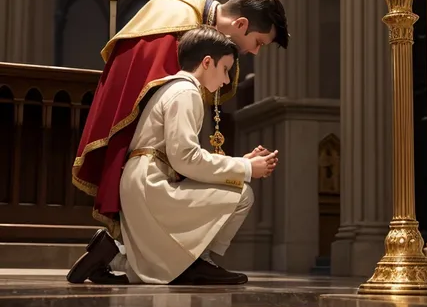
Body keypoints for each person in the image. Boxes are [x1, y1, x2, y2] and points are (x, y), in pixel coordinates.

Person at [68, 27, 278, 286]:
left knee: (160, 264)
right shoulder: (186, 92)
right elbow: (186, 159)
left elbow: (181, 156)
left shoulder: (173, 87)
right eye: (225, 69)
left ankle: (112, 256)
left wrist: (240, 163)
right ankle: (201, 262)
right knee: (242, 194)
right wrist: (245, 167)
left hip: (144, 180)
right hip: (151, 184)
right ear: (207, 62)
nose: (225, 80)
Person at [72, 0, 288, 231]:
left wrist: (235, 164)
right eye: (258, 42)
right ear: (240, 24)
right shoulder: (174, 22)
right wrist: (242, 167)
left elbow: (180, 143)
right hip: (147, 173)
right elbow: (168, 139)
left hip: (159, 168)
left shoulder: (205, 48)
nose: (255, 52)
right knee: (237, 196)